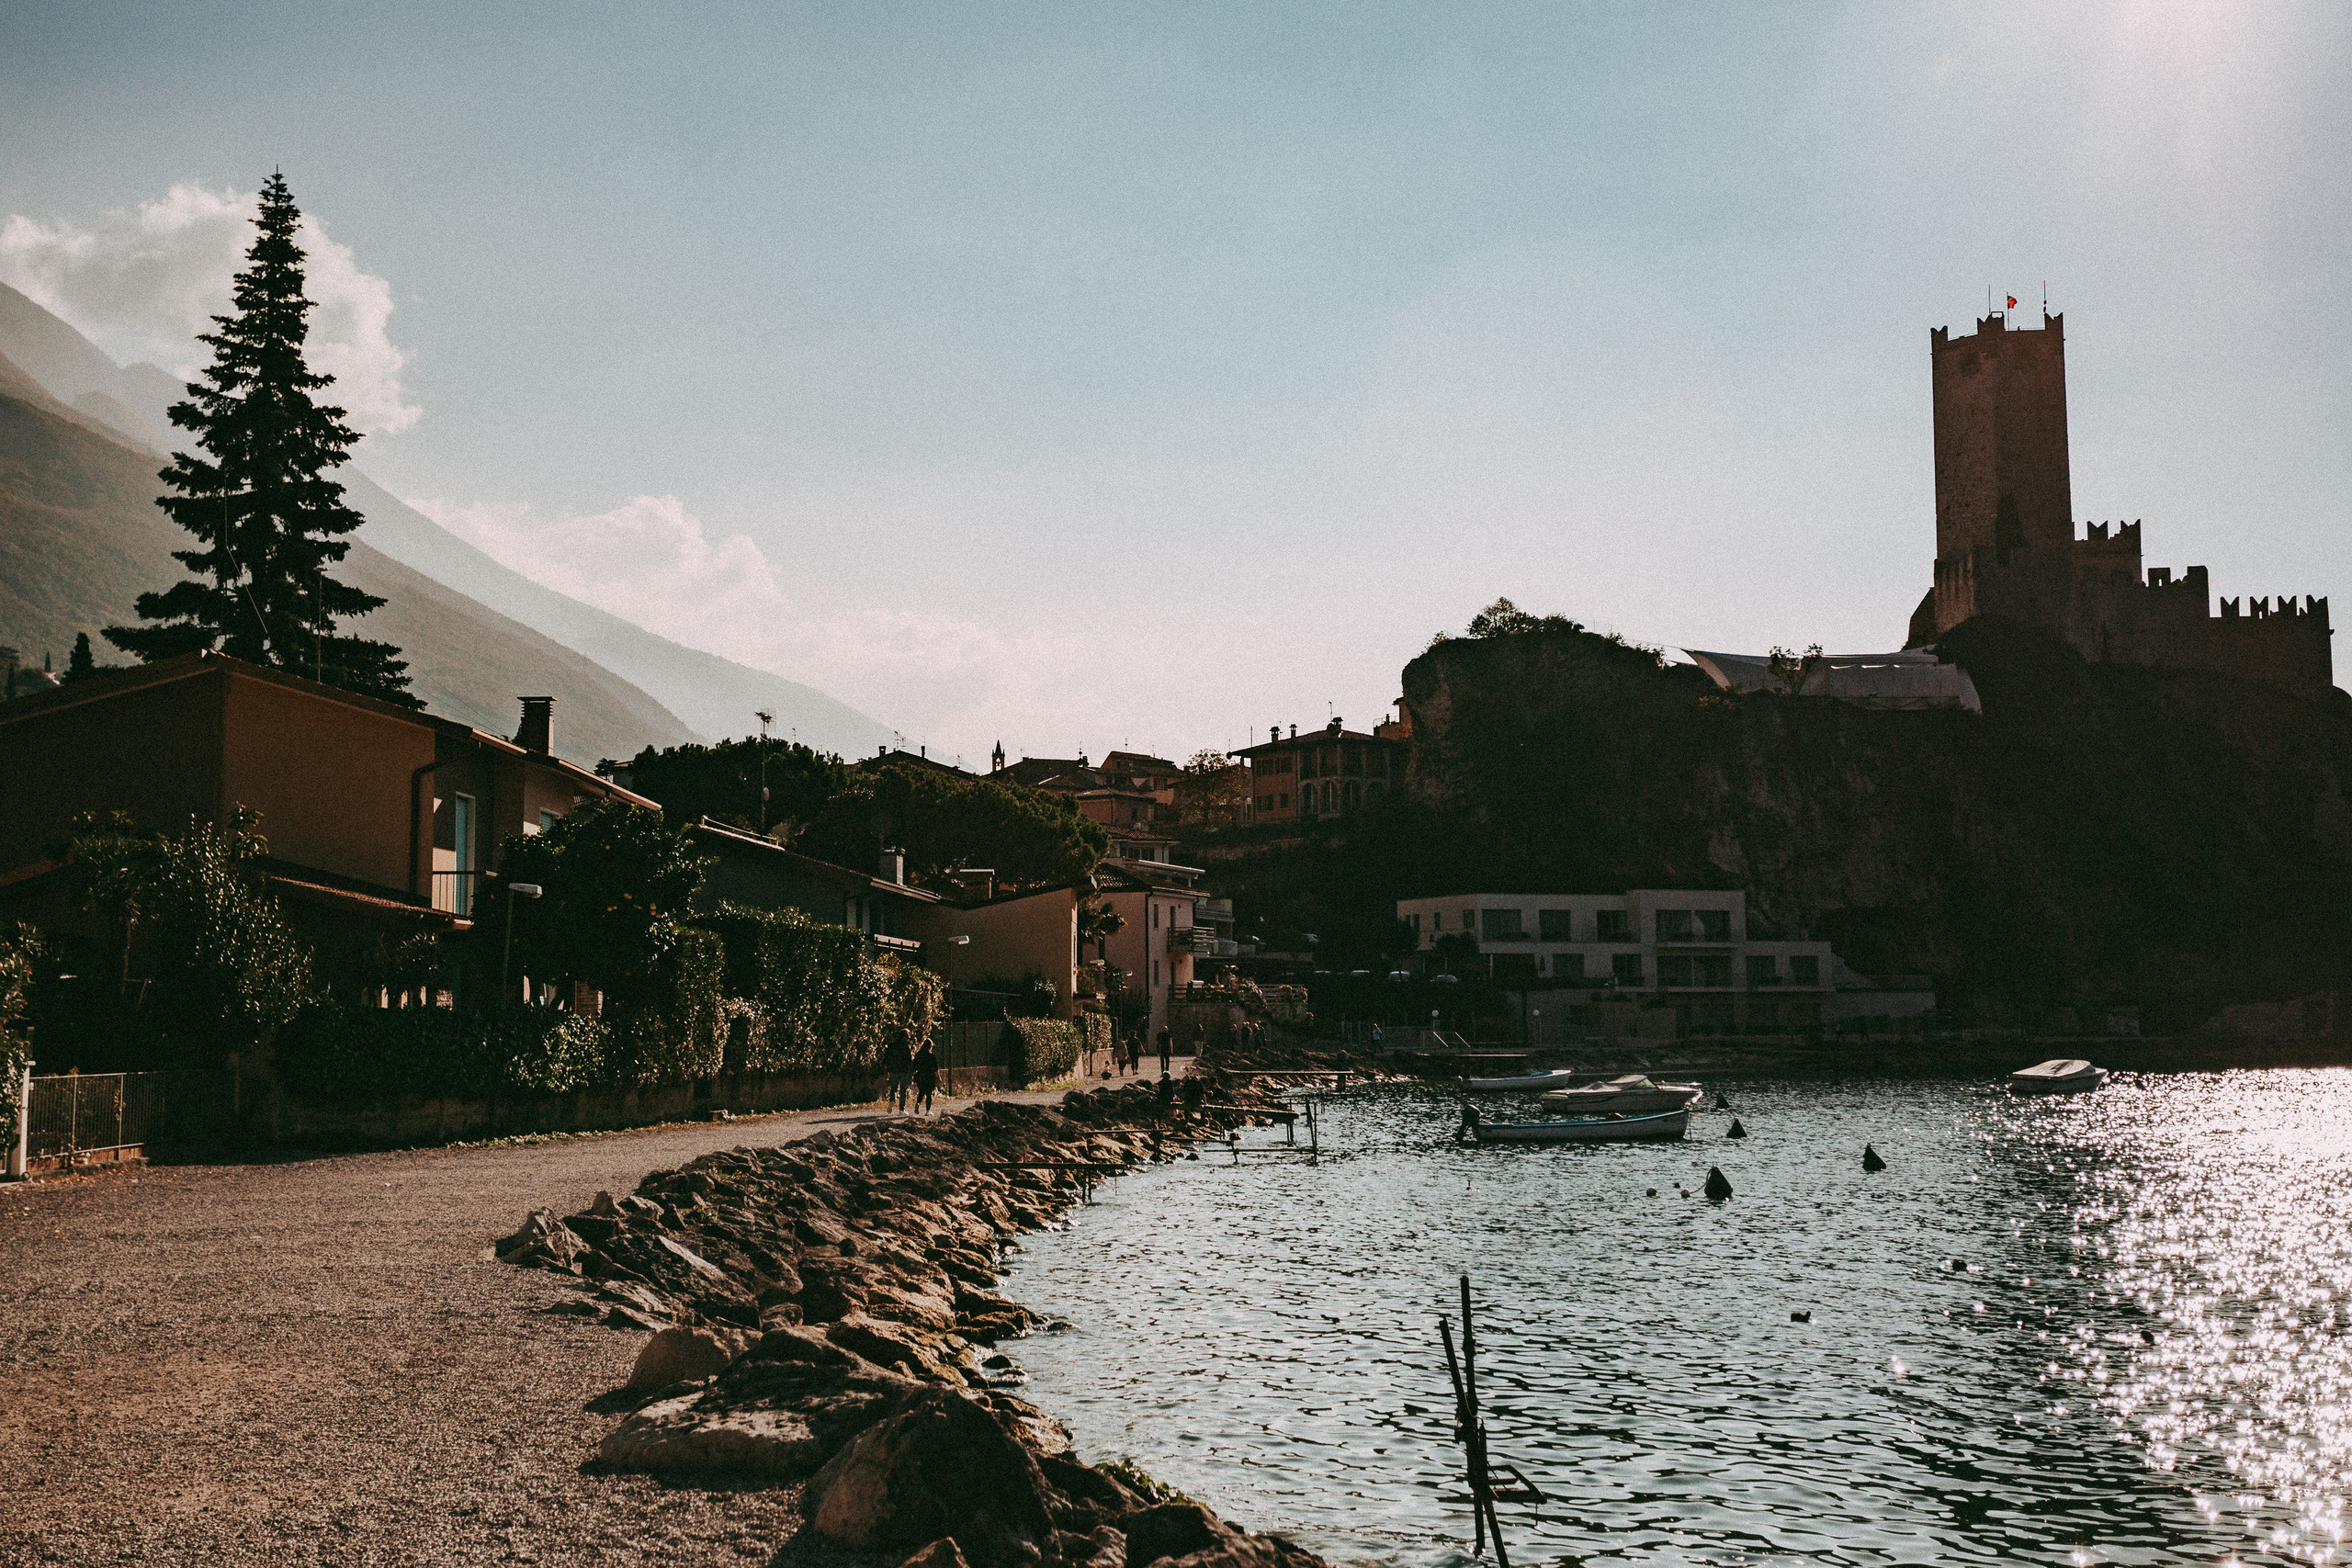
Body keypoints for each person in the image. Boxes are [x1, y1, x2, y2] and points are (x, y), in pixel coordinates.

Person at [883, 1033, 913, 1111]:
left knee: (894, 1088)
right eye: (908, 1038)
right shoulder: (906, 1047)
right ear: (904, 1038)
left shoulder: (891, 1046)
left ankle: (892, 1100)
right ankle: (901, 1109)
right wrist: (910, 1072)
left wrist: (886, 1071)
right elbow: (909, 1060)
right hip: (903, 1071)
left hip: (893, 1070)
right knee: (903, 1090)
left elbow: (886, 1059)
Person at [912, 1041, 939, 1114]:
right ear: (930, 1046)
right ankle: (928, 1110)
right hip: (930, 1077)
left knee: (921, 1092)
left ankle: (918, 1103)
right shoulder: (931, 1056)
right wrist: (938, 1077)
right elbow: (935, 1069)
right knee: (928, 1094)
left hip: (921, 1076)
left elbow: (914, 1067)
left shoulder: (918, 1055)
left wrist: (913, 1075)